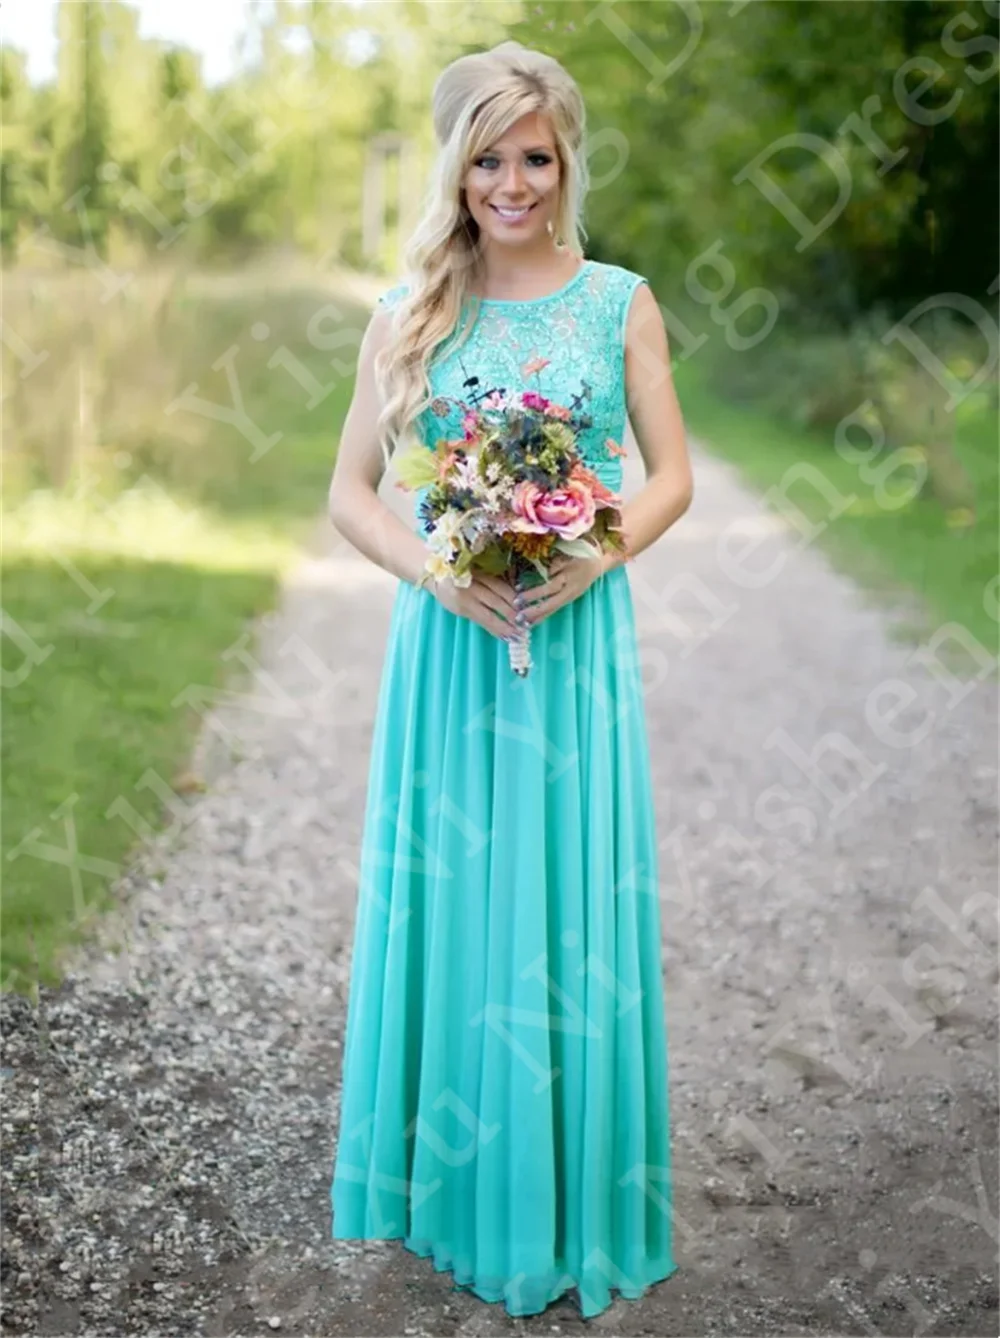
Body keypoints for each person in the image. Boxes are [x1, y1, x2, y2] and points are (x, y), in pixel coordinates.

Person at [327, 38, 693, 1321]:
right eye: (488, 157)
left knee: (564, 909)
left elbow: (671, 477)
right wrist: (438, 572)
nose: (513, 181)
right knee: (460, 905)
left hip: (573, 641)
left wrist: (591, 552)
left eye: (535, 155)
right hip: (452, 649)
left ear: (565, 160)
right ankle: (454, 1192)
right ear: (456, 164)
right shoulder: (409, 312)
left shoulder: (619, 301)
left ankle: (568, 1196)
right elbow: (348, 498)